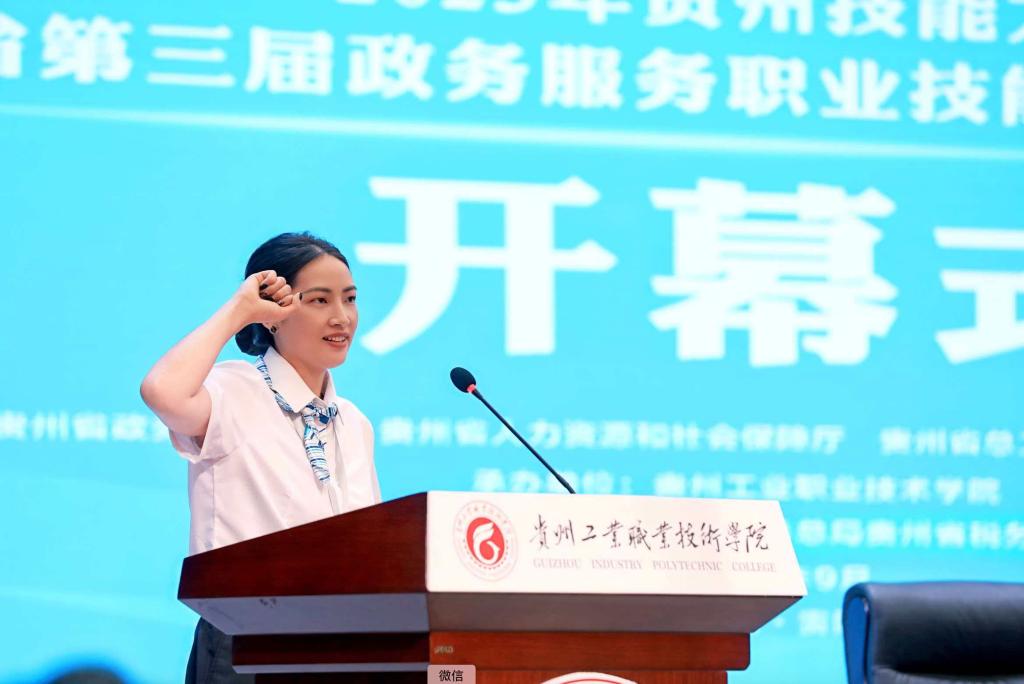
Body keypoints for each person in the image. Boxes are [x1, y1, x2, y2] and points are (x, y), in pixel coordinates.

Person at [140, 232, 381, 684]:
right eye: (320, 300)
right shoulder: (234, 391)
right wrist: (240, 310)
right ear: (273, 313)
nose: (342, 317)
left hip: (340, 645)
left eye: (350, 299)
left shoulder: (353, 422)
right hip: (246, 638)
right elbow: (161, 391)